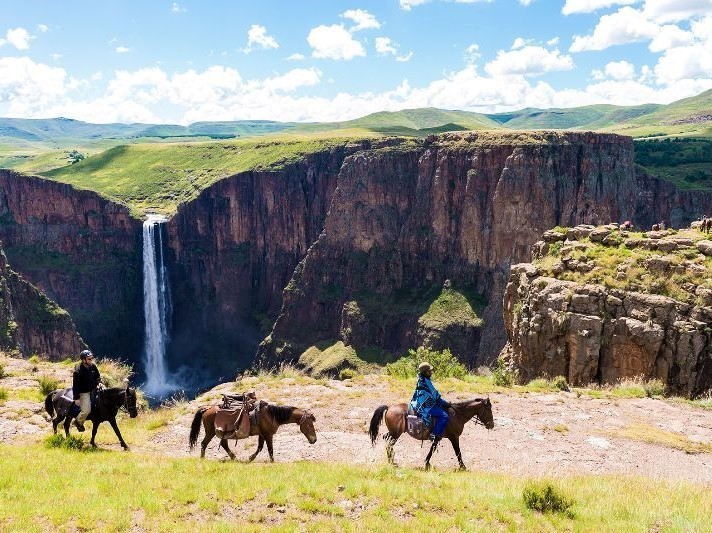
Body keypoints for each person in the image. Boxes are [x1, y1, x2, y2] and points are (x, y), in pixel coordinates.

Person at [410, 361, 451, 442]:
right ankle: (434, 434)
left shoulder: (421, 379)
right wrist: (446, 403)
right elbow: (436, 396)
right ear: (425, 372)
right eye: (429, 371)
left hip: (418, 402)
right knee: (444, 415)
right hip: (425, 406)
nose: (431, 372)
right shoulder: (426, 382)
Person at [72, 349, 101, 432]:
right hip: (84, 392)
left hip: (95, 388)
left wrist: (99, 383)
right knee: (86, 410)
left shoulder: (93, 366)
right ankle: (78, 421)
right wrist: (76, 398)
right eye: (89, 359)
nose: (91, 360)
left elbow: (98, 376)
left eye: (91, 358)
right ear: (83, 360)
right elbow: (76, 386)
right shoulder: (78, 371)